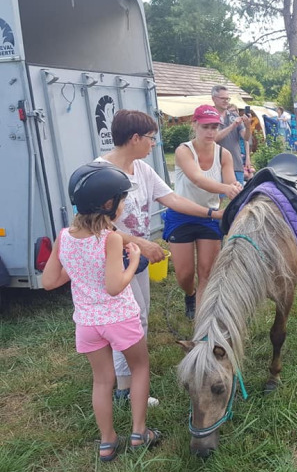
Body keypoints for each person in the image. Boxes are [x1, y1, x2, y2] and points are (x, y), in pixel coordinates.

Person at [98, 110, 225, 403]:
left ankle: (127, 380)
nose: (154, 144)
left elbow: (173, 199)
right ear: (135, 138)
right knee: (128, 320)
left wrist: (212, 213)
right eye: (151, 138)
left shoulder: (142, 169)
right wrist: (141, 243)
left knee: (139, 317)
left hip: (136, 258)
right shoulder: (101, 173)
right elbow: (97, 225)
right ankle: (125, 388)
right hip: (114, 261)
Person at [42, 163, 161, 461]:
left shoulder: (64, 236)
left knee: (102, 381)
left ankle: (107, 441)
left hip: (87, 324)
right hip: (119, 318)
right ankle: (139, 433)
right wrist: (134, 261)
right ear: (109, 204)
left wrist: (79, 269)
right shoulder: (112, 239)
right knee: (140, 368)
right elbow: (114, 286)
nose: (123, 205)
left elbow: (49, 281)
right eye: (122, 200)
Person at [164, 105, 242, 320]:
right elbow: (198, 179)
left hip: (210, 217)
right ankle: (190, 294)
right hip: (182, 215)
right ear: (194, 125)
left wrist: (236, 187)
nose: (210, 132)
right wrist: (227, 188)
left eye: (214, 127)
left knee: (206, 272)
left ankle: (201, 320)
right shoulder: (183, 151)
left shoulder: (224, 154)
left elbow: (230, 182)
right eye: (205, 127)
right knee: (184, 274)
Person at [211, 85, 252, 185]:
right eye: (223, 98)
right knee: (219, 194)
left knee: (238, 194)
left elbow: (246, 137)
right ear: (214, 99)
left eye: (227, 98)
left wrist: (248, 126)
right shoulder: (210, 117)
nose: (226, 101)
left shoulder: (234, 116)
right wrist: (232, 126)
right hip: (217, 165)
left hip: (236, 164)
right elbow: (214, 138)